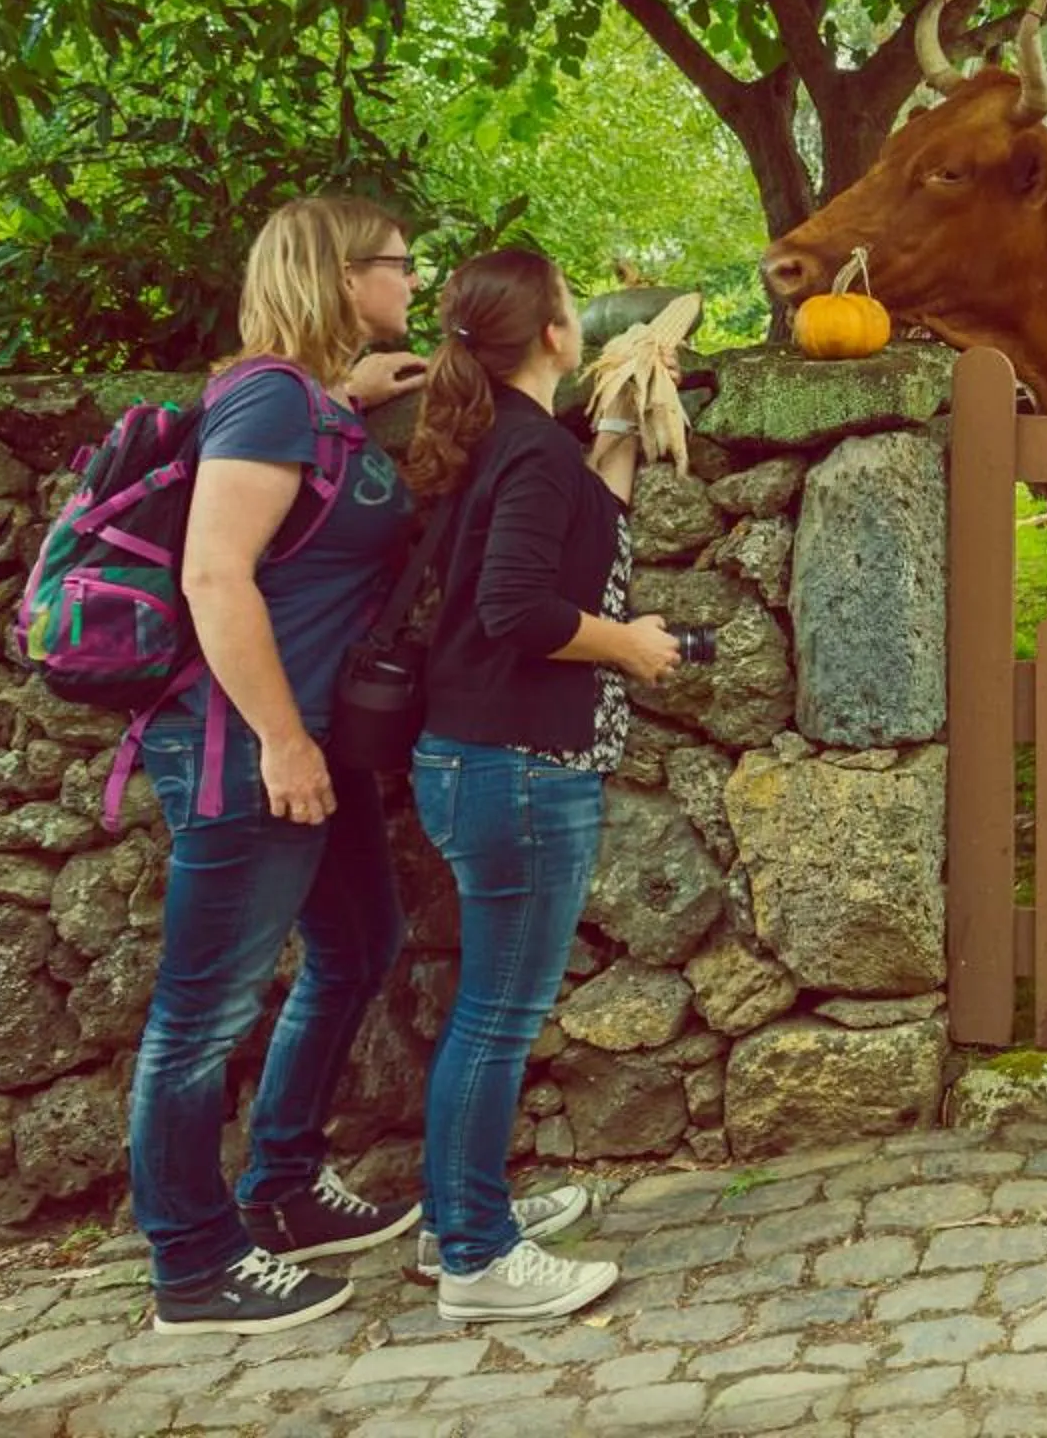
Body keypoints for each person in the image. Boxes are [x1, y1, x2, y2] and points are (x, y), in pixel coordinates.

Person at [136, 196, 431, 1335]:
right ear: (342, 274)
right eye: (399, 264)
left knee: (361, 946)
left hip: (305, 743)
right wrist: (282, 739)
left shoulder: (306, 402)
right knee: (201, 1014)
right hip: (246, 746)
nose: (414, 282)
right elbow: (216, 574)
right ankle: (194, 1262)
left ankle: (286, 1189)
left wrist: (349, 403)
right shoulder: (265, 396)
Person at [401, 249, 681, 1323]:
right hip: (515, 768)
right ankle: (475, 1255)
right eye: (572, 309)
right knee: (497, 1015)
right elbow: (520, 605)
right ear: (557, 334)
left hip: (491, 762)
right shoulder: (523, 455)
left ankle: (451, 1218)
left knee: (490, 1008)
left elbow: (575, 536)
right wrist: (628, 644)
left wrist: (617, 423)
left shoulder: (513, 445)